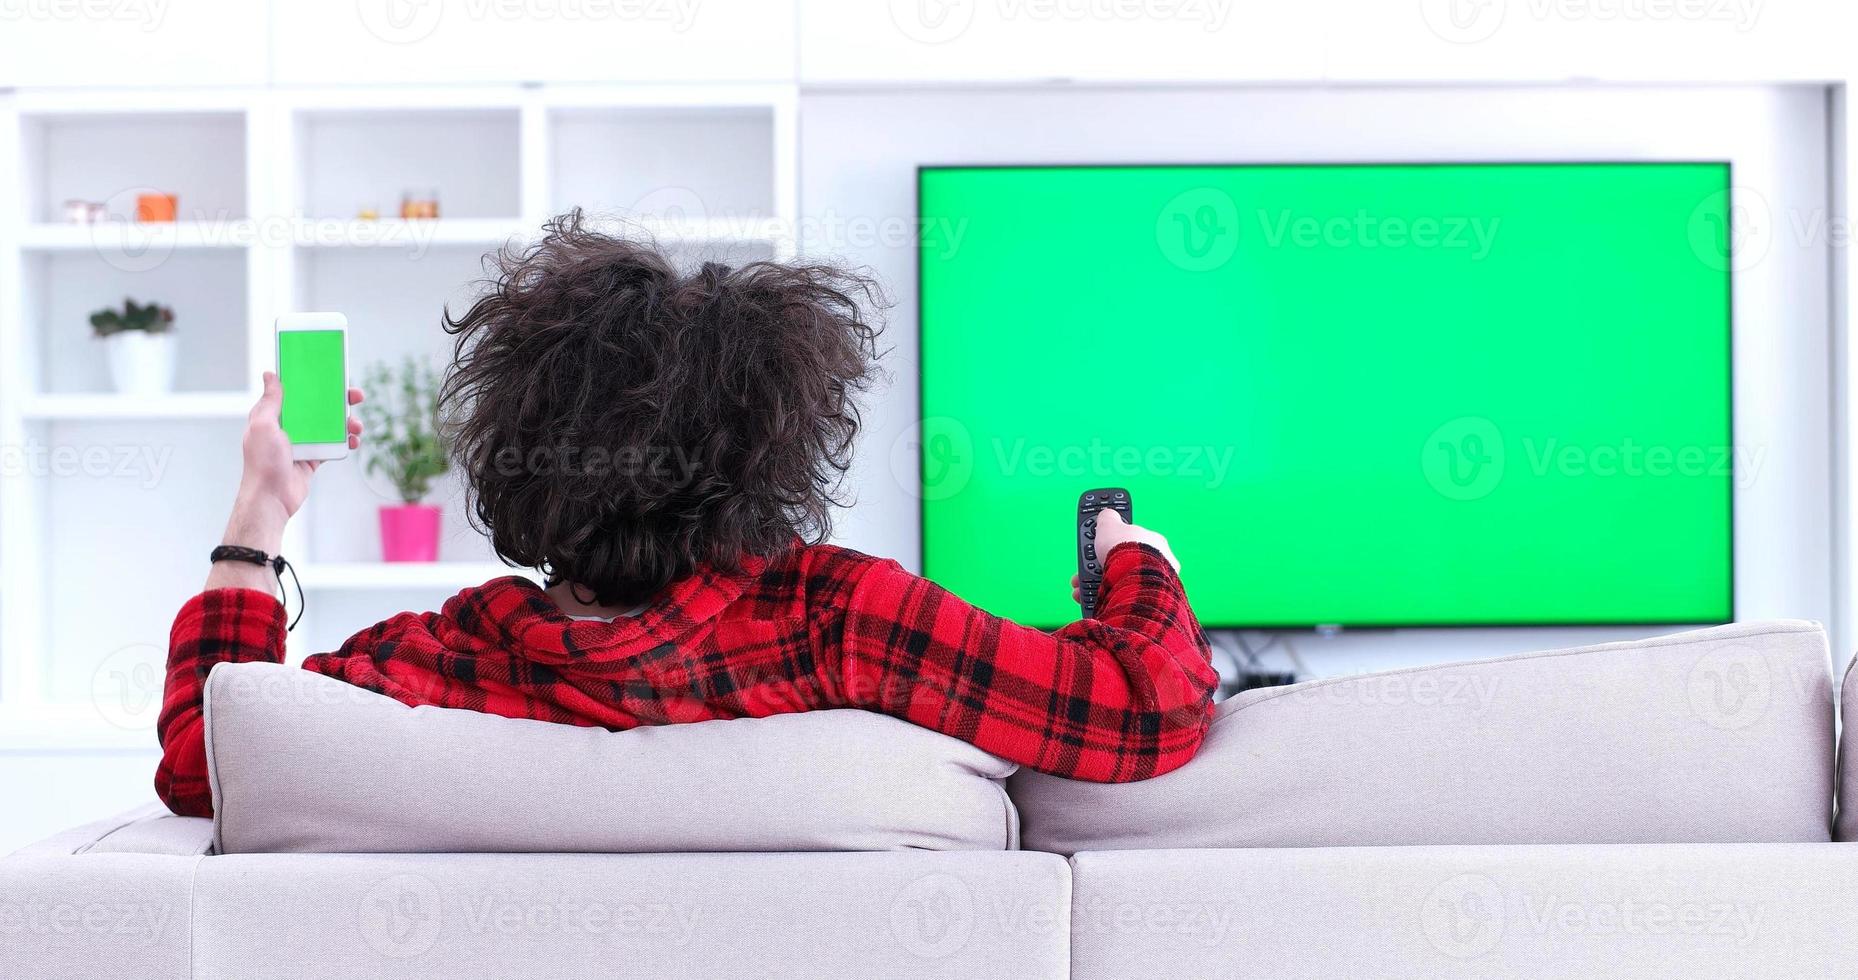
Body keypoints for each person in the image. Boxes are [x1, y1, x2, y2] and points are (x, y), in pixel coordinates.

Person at [155, 213, 1217, 818]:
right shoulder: (841, 618)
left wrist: (260, 509)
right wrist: (1138, 565)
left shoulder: (444, 658)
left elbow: (207, 763)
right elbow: (1145, 706)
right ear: (771, 449)